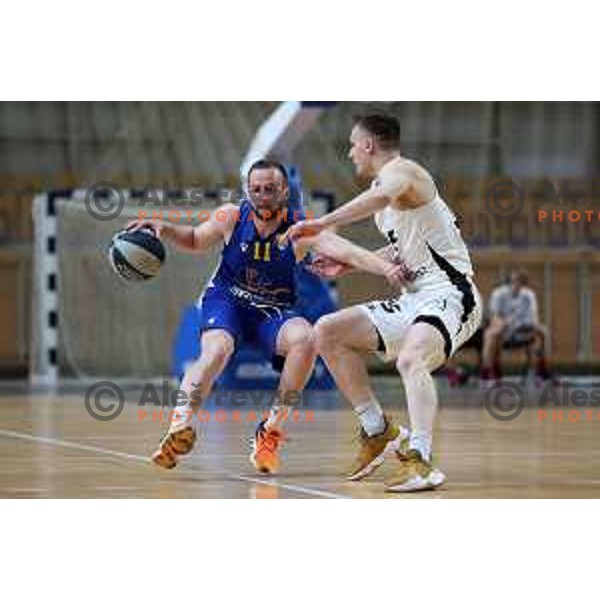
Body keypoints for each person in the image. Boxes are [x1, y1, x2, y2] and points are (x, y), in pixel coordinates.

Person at [129, 159, 406, 474]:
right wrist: (164, 227)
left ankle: (270, 430)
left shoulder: (300, 229)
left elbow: (349, 252)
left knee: (306, 339)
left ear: (284, 191)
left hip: (271, 311)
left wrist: (387, 268)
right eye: (256, 189)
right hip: (227, 301)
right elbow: (194, 239)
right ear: (248, 191)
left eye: (270, 189)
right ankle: (178, 427)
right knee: (217, 351)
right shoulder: (232, 216)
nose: (262, 195)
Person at [289, 114, 483, 492]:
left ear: (368, 145)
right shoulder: (389, 194)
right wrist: (345, 264)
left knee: (411, 359)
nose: (349, 153)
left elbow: (380, 195)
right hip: (414, 297)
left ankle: (421, 460)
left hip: (450, 293)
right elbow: (403, 248)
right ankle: (377, 429)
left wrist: (321, 222)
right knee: (326, 332)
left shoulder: (404, 172)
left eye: (351, 144)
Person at [481, 269, 552, 383]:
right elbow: (494, 316)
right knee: (490, 334)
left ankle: (542, 368)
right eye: (514, 281)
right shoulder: (498, 293)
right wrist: (501, 324)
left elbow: (533, 318)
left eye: (520, 281)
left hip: (522, 330)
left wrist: (524, 326)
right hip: (503, 331)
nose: (517, 284)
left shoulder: (529, 295)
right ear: (509, 281)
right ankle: (487, 370)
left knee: (543, 331)